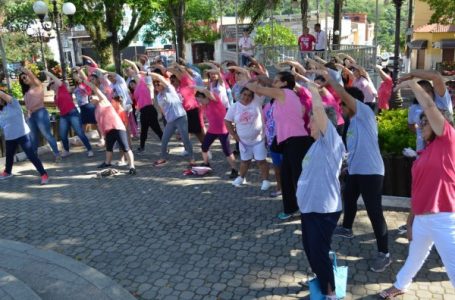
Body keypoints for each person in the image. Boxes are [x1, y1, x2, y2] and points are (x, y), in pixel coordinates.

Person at [379, 79, 455, 299]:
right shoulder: (424, 154)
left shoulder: (448, 142)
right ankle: (401, 285)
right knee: (414, 257)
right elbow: (418, 190)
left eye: (426, 123)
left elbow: (430, 107)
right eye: (421, 123)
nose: (421, 126)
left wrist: (411, 83)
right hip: (422, 217)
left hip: (443, 218)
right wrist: (411, 222)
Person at [319, 68, 391, 273]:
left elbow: (343, 94)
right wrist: (346, 166)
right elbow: (354, 147)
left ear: (351, 102)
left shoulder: (365, 112)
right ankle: (347, 228)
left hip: (372, 172)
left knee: (374, 212)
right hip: (357, 170)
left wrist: (332, 81)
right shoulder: (352, 124)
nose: (341, 107)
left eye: (343, 104)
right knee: (348, 197)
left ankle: (384, 253)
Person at [297, 84, 345, 299]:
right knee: (310, 249)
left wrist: (312, 89)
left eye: (313, 119)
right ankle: (323, 277)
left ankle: (331, 292)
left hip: (323, 209)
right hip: (309, 208)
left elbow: (318, 110)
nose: (309, 122)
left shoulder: (331, 142)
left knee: (318, 252)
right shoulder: (315, 145)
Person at [246, 72, 313, 220]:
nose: (273, 83)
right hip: (289, 142)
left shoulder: (284, 93)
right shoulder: (284, 96)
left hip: (298, 141)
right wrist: (265, 80)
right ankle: (291, 208)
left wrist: (249, 82)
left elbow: (258, 89)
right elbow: (270, 84)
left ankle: (308, 210)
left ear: (283, 83)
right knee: (286, 177)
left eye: (277, 81)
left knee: (298, 178)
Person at [84, 79, 136, 175]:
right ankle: (107, 163)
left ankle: (132, 166)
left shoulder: (104, 101)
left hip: (118, 127)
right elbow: (100, 125)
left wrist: (85, 80)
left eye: (92, 97)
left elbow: (94, 88)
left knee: (125, 147)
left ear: (97, 97)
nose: (91, 99)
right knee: (109, 148)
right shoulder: (96, 111)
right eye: (90, 98)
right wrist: (103, 137)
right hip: (108, 130)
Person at [224, 87, 270, 190]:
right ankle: (241, 178)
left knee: (261, 160)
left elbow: (259, 81)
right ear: (241, 94)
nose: (246, 97)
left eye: (249, 95)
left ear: (252, 97)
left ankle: (265, 180)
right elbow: (227, 121)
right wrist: (234, 135)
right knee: (245, 161)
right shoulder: (235, 106)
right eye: (244, 94)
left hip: (259, 140)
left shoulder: (256, 102)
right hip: (243, 141)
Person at [0, 90, 49, 184]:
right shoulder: (1, 111)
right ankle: (7, 172)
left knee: (31, 155)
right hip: (10, 137)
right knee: (9, 156)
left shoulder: (13, 103)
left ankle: (44, 174)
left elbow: (2, 94)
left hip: (22, 134)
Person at [44, 71, 93, 158]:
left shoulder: (62, 88)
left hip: (72, 112)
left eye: (52, 84)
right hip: (63, 115)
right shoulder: (55, 97)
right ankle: (66, 151)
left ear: (56, 83)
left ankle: (89, 149)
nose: (51, 86)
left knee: (79, 132)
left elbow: (56, 79)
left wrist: (47, 73)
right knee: (62, 134)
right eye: (50, 85)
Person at [151, 72, 195, 167]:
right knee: (164, 139)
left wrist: (147, 73)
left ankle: (192, 159)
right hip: (170, 120)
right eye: (155, 85)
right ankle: (163, 157)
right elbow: (162, 109)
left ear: (162, 84)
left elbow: (159, 76)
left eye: (158, 84)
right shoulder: (159, 96)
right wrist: (165, 118)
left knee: (185, 139)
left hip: (180, 117)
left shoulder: (170, 89)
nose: (157, 86)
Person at [195, 88, 238, 178]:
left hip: (223, 130)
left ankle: (234, 169)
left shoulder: (215, 101)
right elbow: (201, 118)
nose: (200, 102)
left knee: (227, 150)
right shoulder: (204, 105)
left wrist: (196, 86)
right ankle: (206, 164)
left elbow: (207, 92)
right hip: (212, 130)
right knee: (204, 147)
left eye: (201, 100)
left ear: (206, 97)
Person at [19, 68, 61, 160]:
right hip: (31, 116)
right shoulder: (26, 90)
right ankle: (34, 156)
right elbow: (28, 104)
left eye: (25, 77)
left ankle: (57, 154)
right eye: (22, 79)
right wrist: (27, 114)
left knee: (47, 134)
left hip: (40, 113)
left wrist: (26, 71)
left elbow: (32, 76)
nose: (24, 79)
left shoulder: (37, 85)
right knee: (33, 136)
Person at [72, 68, 104, 147]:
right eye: (74, 76)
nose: (75, 77)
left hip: (88, 106)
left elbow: (85, 77)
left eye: (76, 75)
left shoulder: (85, 84)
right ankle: (82, 140)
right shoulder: (76, 86)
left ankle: (102, 139)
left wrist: (79, 70)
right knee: (83, 125)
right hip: (82, 108)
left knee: (96, 124)